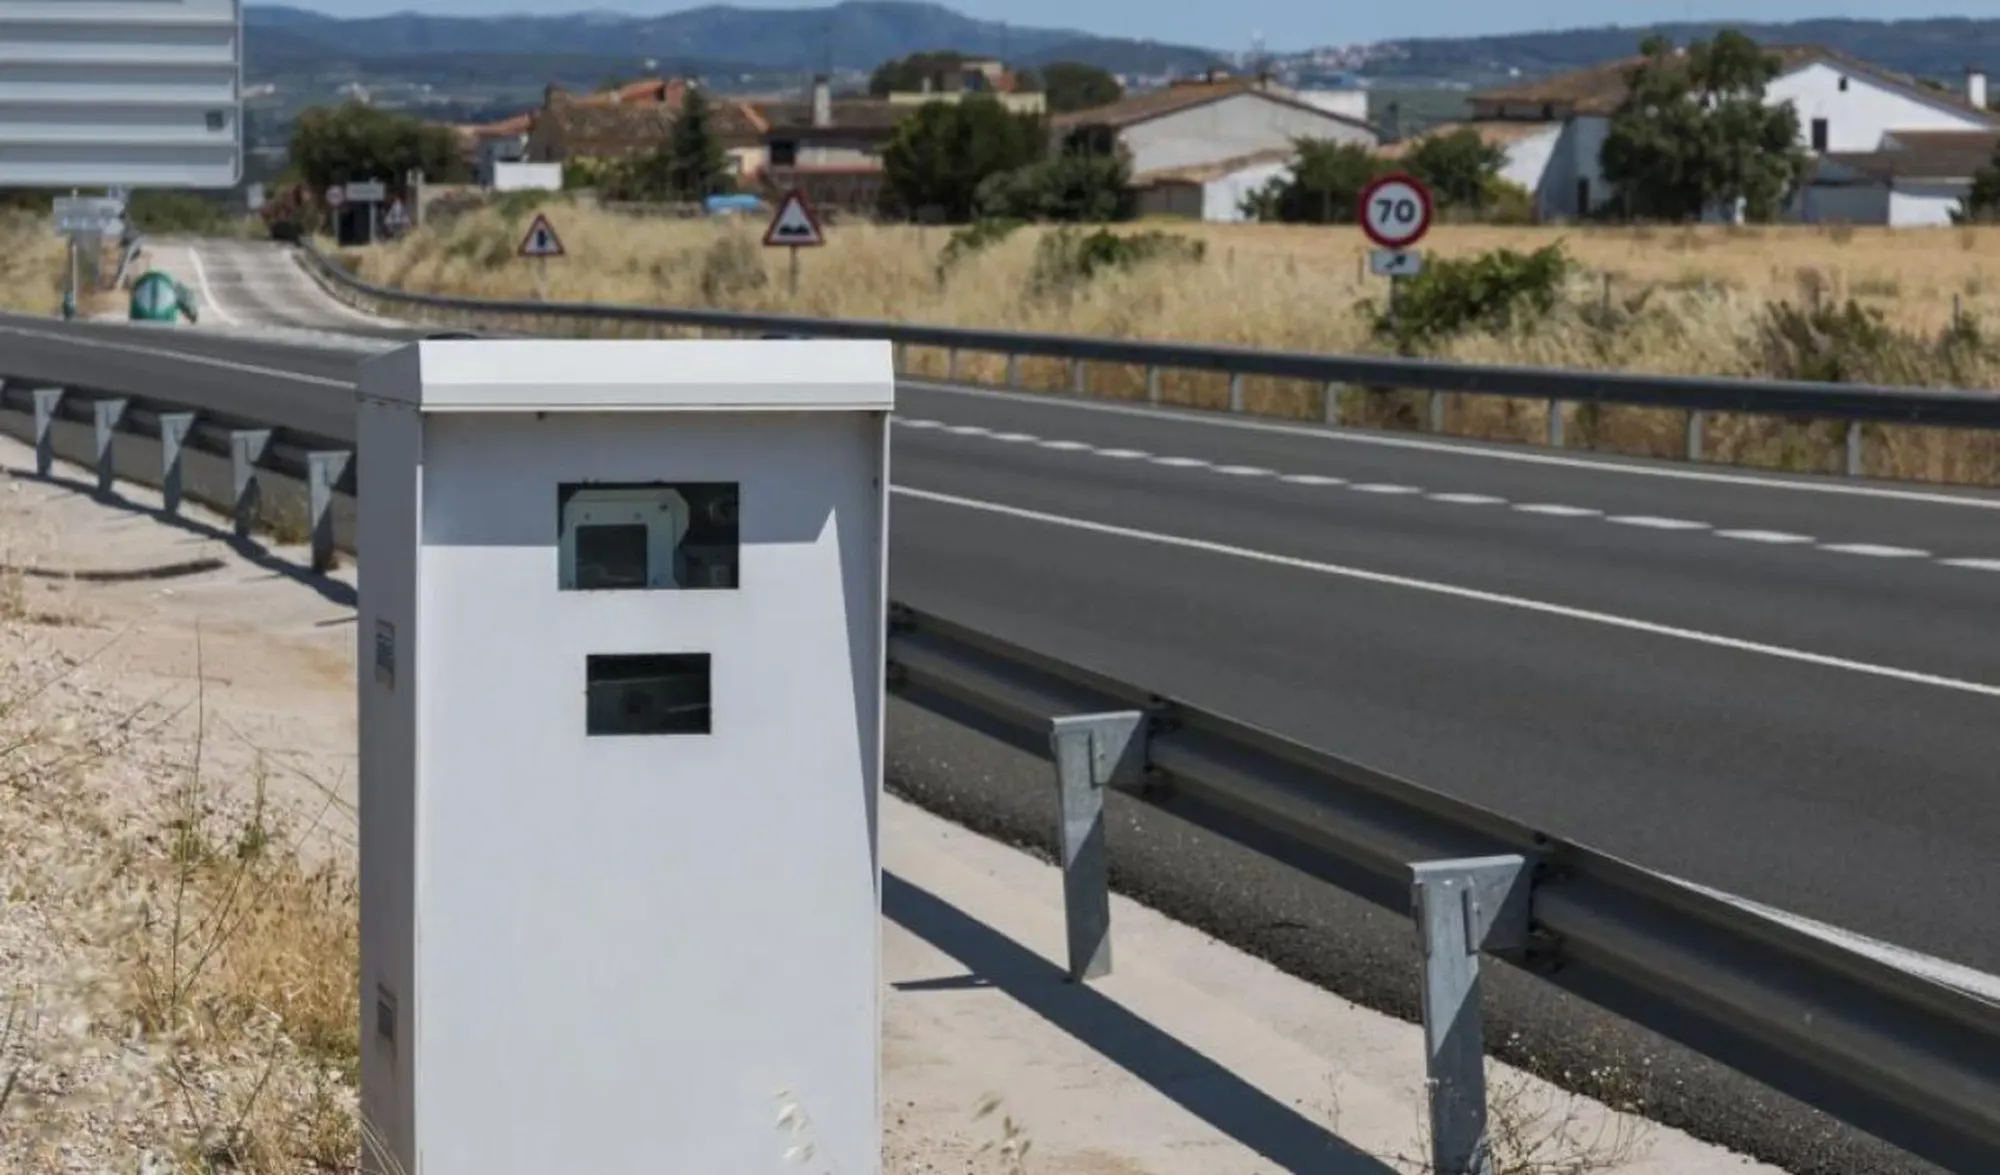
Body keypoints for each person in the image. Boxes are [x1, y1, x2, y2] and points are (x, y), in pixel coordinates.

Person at [127, 268, 199, 324]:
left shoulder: (139, 283)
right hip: (165, 323)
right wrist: (193, 317)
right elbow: (189, 302)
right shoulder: (173, 285)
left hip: (140, 322)